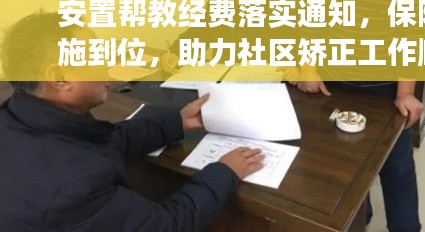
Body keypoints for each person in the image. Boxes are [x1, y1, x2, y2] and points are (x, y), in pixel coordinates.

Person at [0, 12, 264, 231]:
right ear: (59, 78)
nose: (106, 63)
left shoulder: (18, 115)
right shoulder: (72, 185)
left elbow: (107, 140)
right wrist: (225, 171)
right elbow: (168, 225)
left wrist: (178, 121)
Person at [293, 0, 425, 232]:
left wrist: (406, 93)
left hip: (386, 85)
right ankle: (361, 215)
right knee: (343, 162)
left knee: (396, 166)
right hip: (334, 79)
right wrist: (308, 68)